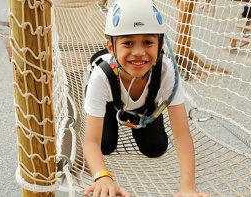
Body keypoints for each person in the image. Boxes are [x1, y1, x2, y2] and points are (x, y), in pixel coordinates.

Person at [83, 0, 210, 196]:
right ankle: (113, 116)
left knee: (156, 148)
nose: (139, 52)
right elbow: (90, 141)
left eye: (148, 42)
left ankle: (138, 117)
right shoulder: (101, 76)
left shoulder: (166, 72)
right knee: (104, 145)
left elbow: (182, 133)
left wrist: (187, 186)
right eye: (128, 42)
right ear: (110, 47)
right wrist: (103, 176)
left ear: (160, 44)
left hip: (146, 103)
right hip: (111, 102)